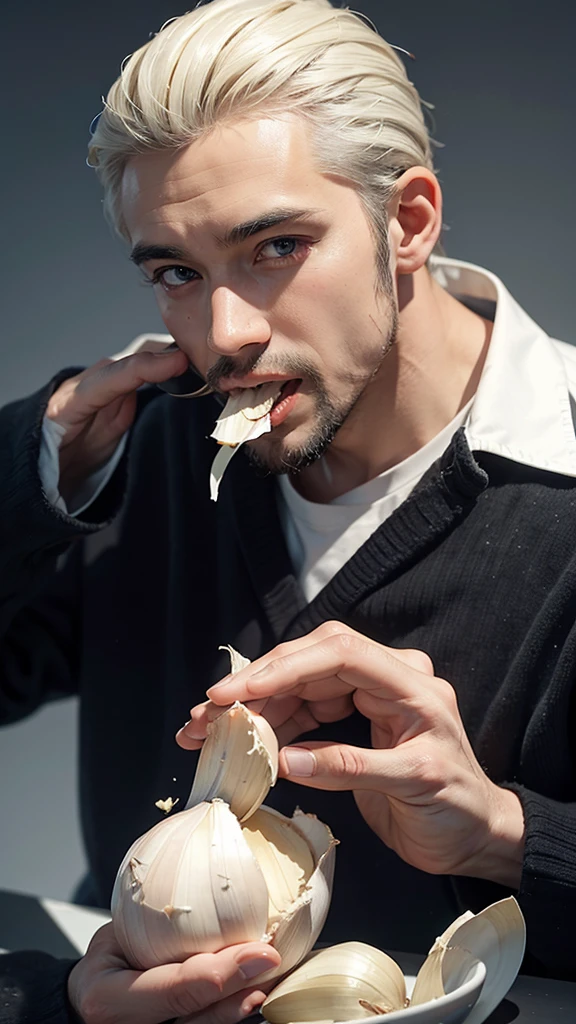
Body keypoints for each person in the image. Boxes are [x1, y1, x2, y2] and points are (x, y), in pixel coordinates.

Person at [1, 0, 575, 1019]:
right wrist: (25, 476)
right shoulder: (130, 451)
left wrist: (503, 834)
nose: (225, 333)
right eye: (176, 272)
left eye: (273, 247)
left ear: (407, 221)